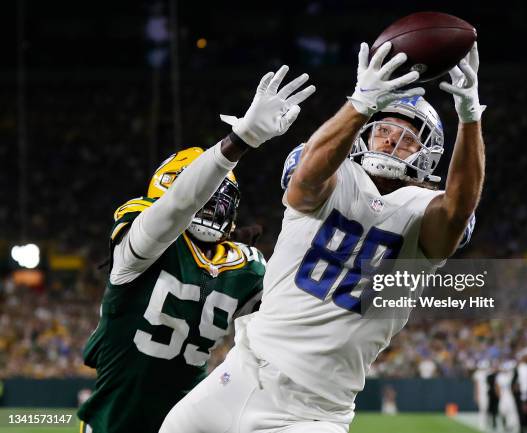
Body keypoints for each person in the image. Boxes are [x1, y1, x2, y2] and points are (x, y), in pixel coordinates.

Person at [161, 40, 485, 433]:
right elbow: (308, 178)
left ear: (429, 153)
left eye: (410, 136)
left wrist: (470, 118)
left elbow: (457, 211)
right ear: (366, 131)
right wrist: (361, 101)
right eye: (384, 128)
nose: (393, 140)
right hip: (241, 373)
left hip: (312, 411)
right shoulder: (333, 175)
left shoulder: (426, 208)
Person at [76, 65, 315, 433]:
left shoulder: (247, 265)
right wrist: (240, 140)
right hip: (116, 418)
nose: (212, 206)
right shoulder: (145, 238)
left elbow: (292, 315)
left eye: (222, 199)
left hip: (191, 417)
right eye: (206, 193)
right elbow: (174, 209)